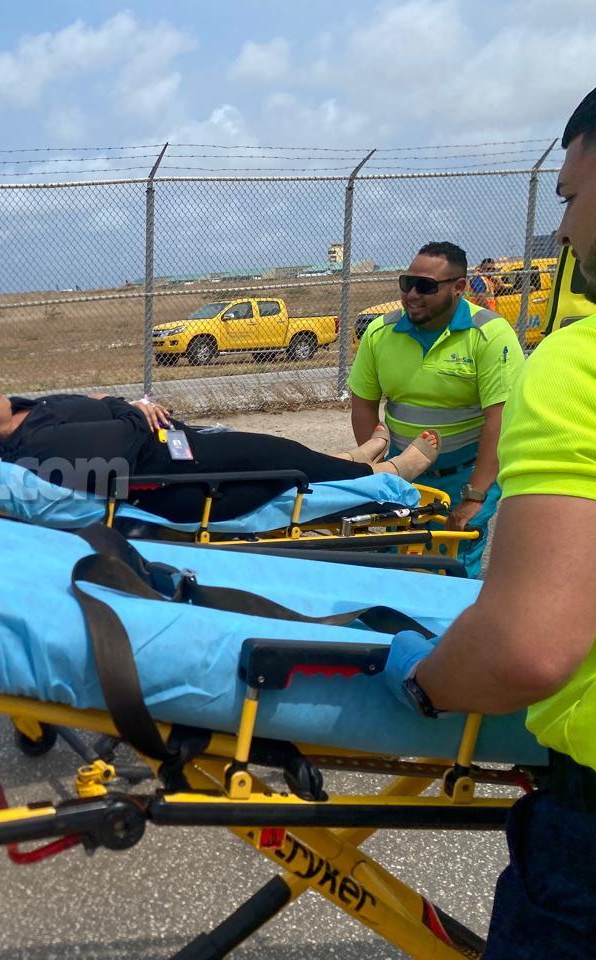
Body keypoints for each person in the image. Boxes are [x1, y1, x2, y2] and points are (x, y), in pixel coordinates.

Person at [382, 87, 596, 959]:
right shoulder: (385, 335)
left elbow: (524, 649)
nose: (563, 230)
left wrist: (426, 686)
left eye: (571, 197)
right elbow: (365, 404)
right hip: (403, 479)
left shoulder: (570, 364)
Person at [0, 382, 439, 523]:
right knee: (277, 459)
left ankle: (353, 461)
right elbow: (120, 444)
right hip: (180, 474)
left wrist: (119, 406)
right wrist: (134, 411)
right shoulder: (37, 448)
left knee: (280, 450)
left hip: (176, 446)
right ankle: (388, 471)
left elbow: (98, 406)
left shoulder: (28, 414)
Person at [348, 241, 525, 577]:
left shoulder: (489, 334)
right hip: (404, 471)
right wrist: (381, 471)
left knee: (452, 569)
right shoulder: (380, 333)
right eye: (407, 283)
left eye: (426, 286)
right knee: (398, 562)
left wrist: (475, 495)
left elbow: (500, 420)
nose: (412, 294)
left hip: (464, 476)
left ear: (459, 287)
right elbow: (364, 405)